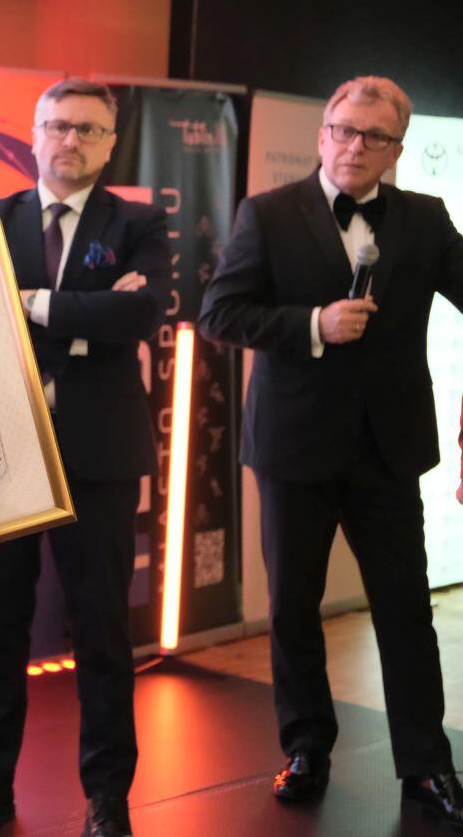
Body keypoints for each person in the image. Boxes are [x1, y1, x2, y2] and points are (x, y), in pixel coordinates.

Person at [199, 76, 463, 829]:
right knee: (293, 608)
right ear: (322, 135)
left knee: (406, 610)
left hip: (388, 446)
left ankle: (427, 763)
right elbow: (220, 312)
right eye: (344, 130)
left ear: (397, 150)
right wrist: (313, 323)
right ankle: (306, 747)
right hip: (293, 445)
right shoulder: (267, 213)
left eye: (374, 136)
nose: (355, 146)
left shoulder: (426, 216)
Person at [0, 78, 170, 837]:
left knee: (101, 629)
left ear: (110, 142)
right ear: (34, 134)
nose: (70, 140)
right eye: (57, 125)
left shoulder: (140, 222)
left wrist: (31, 303)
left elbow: (140, 312)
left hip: (100, 453)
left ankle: (108, 798)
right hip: (8, 446)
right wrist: (91, 316)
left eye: (88, 129)